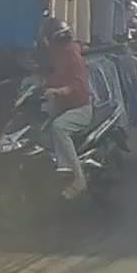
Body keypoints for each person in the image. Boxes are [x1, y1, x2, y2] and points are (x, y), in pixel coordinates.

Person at [40, 18, 93, 197]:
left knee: (59, 127)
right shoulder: (56, 55)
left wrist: (59, 91)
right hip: (63, 106)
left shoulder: (71, 54)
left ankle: (79, 178)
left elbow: (80, 86)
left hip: (80, 108)